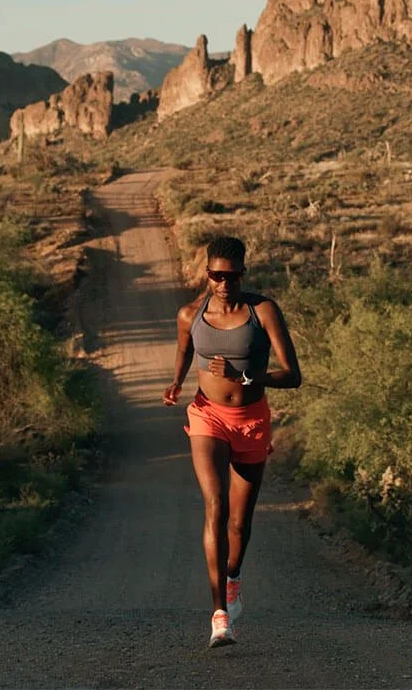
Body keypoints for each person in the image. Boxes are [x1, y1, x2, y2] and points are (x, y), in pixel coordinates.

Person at [162, 236, 302, 648]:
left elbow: (292, 375)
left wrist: (243, 377)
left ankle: (234, 577)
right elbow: (185, 352)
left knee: (240, 522)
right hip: (207, 416)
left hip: (251, 419)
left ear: (243, 273)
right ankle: (219, 616)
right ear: (207, 274)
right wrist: (175, 382)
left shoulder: (263, 311)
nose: (224, 284)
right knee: (216, 505)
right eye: (216, 276)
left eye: (232, 276)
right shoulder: (190, 314)